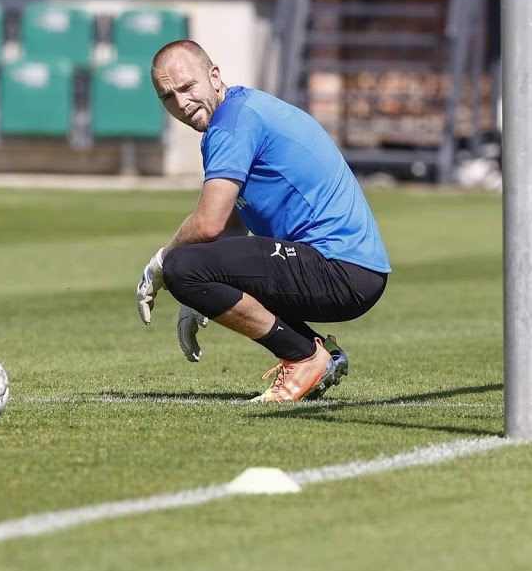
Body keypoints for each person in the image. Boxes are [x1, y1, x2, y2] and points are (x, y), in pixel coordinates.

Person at [136, 39, 391, 403]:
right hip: (352, 270)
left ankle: (303, 357)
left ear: (214, 75)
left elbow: (208, 224)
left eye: (187, 87)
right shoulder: (239, 112)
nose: (181, 103)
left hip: (340, 268)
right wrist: (198, 295)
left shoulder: (232, 123)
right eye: (167, 97)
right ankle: (324, 356)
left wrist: (163, 266)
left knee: (182, 264)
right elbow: (229, 231)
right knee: (190, 267)